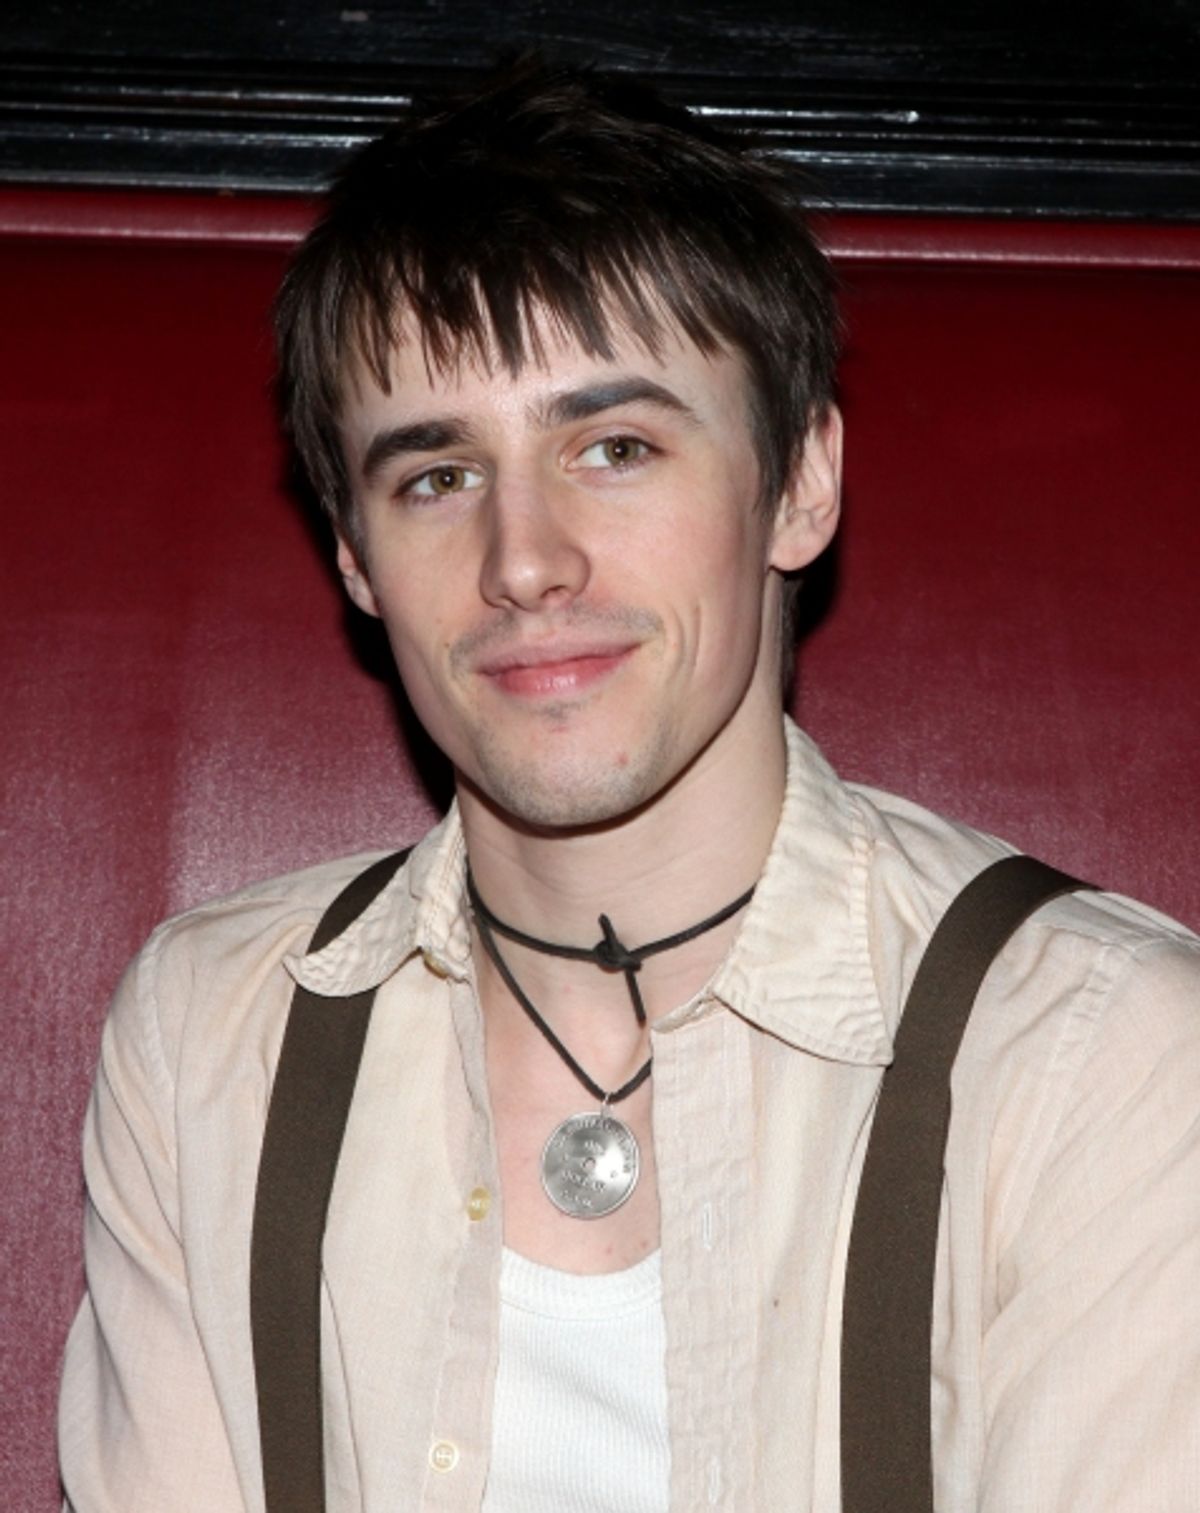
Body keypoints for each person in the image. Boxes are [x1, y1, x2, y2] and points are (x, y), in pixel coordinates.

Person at [59, 59, 1199, 1512]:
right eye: (435, 476)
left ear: (798, 485)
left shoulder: (1100, 1057)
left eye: (616, 447)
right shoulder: (210, 1035)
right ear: (353, 554)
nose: (525, 559)